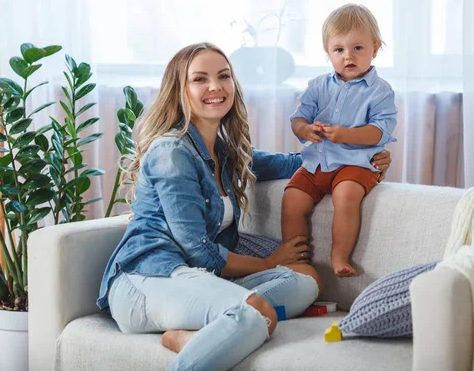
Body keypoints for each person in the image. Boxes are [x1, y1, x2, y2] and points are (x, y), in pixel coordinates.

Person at [96, 42, 392, 371]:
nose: (215, 86)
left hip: (198, 279)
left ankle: (194, 334)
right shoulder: (172, 152)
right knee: (257, 313)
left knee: (306, 280)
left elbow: (298, 164)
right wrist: (268, 261)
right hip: (148, 280)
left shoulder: (226, 151)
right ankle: (223, 326)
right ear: (179, 90)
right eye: (200, 79)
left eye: (224, 76)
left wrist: (365, 160)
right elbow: (197, 250)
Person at [283, 4, 398, 278]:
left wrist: (346, 135)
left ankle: (340, 255)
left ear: (375, 47)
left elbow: (380, 131)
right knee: (292, 200)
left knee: (346, 195)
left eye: (358, 48)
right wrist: (306, 130)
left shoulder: (381, 91)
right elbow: (297, 119)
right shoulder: (318, 86)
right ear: (328, 53)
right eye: (339, 50)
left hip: (355, 164)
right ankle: (296, 257)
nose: (348, 56)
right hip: (316, 164)